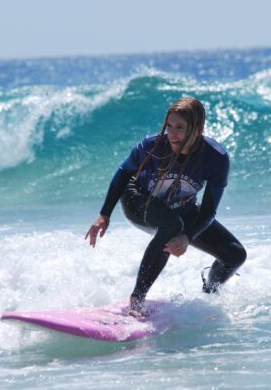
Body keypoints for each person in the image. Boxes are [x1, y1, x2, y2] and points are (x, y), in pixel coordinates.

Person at [85, 97, 246, 316]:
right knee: (172, 224)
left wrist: (187, 237)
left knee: (235, 255)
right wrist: (104, 214)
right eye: (169, 126)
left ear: (197, 128)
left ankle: (209, 295)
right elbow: (123, 173)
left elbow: (208, 210)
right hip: (138, 200)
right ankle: (137, 300)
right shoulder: (152, 146)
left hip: (181, 207)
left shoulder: (215, 158)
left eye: (180, 127)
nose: (172, 133)